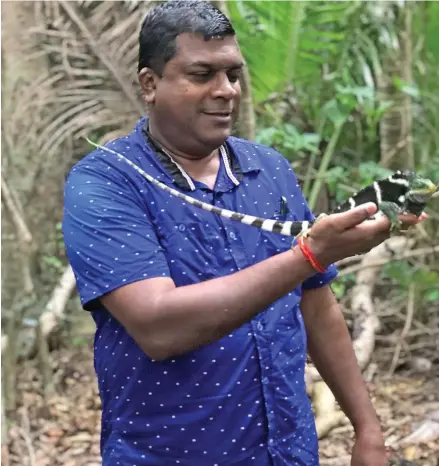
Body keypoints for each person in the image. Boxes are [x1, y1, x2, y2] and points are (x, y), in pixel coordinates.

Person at [62, 2, 424, 465]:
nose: (226, 90)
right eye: (202, 74)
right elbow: (158, 326)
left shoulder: (268, 169)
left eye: (233, 74)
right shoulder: (108, 182)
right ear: (150, 84)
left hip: (288, 452)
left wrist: (367, 429)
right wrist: (310, 255)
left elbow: (316, 306)